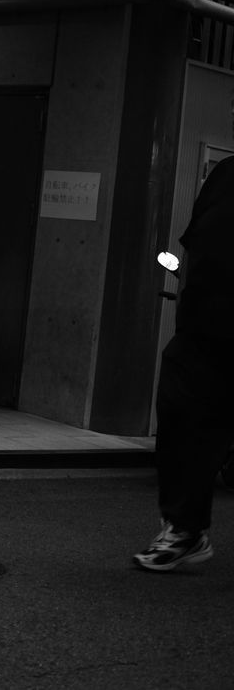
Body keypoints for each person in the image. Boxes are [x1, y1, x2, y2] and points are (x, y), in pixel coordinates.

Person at [133, 144, 234, 571]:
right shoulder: (226, 174)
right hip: (202, 327)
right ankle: (184, 529)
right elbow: (192, 246)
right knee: (178, 417)